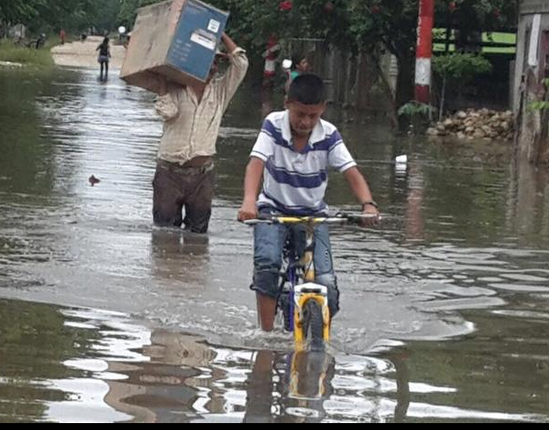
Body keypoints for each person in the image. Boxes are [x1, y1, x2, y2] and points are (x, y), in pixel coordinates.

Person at [237, 73, 380, 331]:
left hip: (314, 215)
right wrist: (249, 202)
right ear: (287, 104)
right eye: (300, 114)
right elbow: (255, 164)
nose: (305, 122)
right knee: (267, 265)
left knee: (328, 284)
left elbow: (352, 173)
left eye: (312, 116)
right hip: (273, 210)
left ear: (323, 110)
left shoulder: (329, 134)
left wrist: (368, 205)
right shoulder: (272, 125)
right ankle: (266, 335)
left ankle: (317, 335)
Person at [150, 33, 248, 233]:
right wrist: (162, 86)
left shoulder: (220, 91)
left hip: (202, 176)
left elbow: (241, 64)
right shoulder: (174, 88)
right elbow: (167, 112)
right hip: (169, 173)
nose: (212, 68)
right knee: (163, 234)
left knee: (199, 237)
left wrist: (221, 34)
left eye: (215, 63)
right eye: (207, 62)